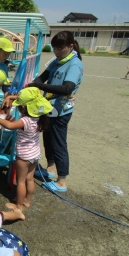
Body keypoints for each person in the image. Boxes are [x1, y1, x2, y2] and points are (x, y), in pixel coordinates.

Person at [26, 31, 84, 192]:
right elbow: (42, 77)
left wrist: (39, 86)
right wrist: (31, 85)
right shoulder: (56, 61)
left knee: (59, 143)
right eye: (55, 49)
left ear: (71, 46)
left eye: (61, 49)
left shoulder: (74, 64)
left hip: (61, 112)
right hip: (48, 109)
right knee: (48, 139)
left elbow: (67, 88)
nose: (57, 52)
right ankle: (50, 169)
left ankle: (62, 181)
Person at [0, 87, 52, 219]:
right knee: (29, 179)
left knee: (20, 181)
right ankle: (27, 201)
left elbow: (9, 126)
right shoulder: (38, 118)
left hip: (24, 155)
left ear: (24, 108)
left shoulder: (25, 120)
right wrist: (11, 98)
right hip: (34, 153)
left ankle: (18, 206)